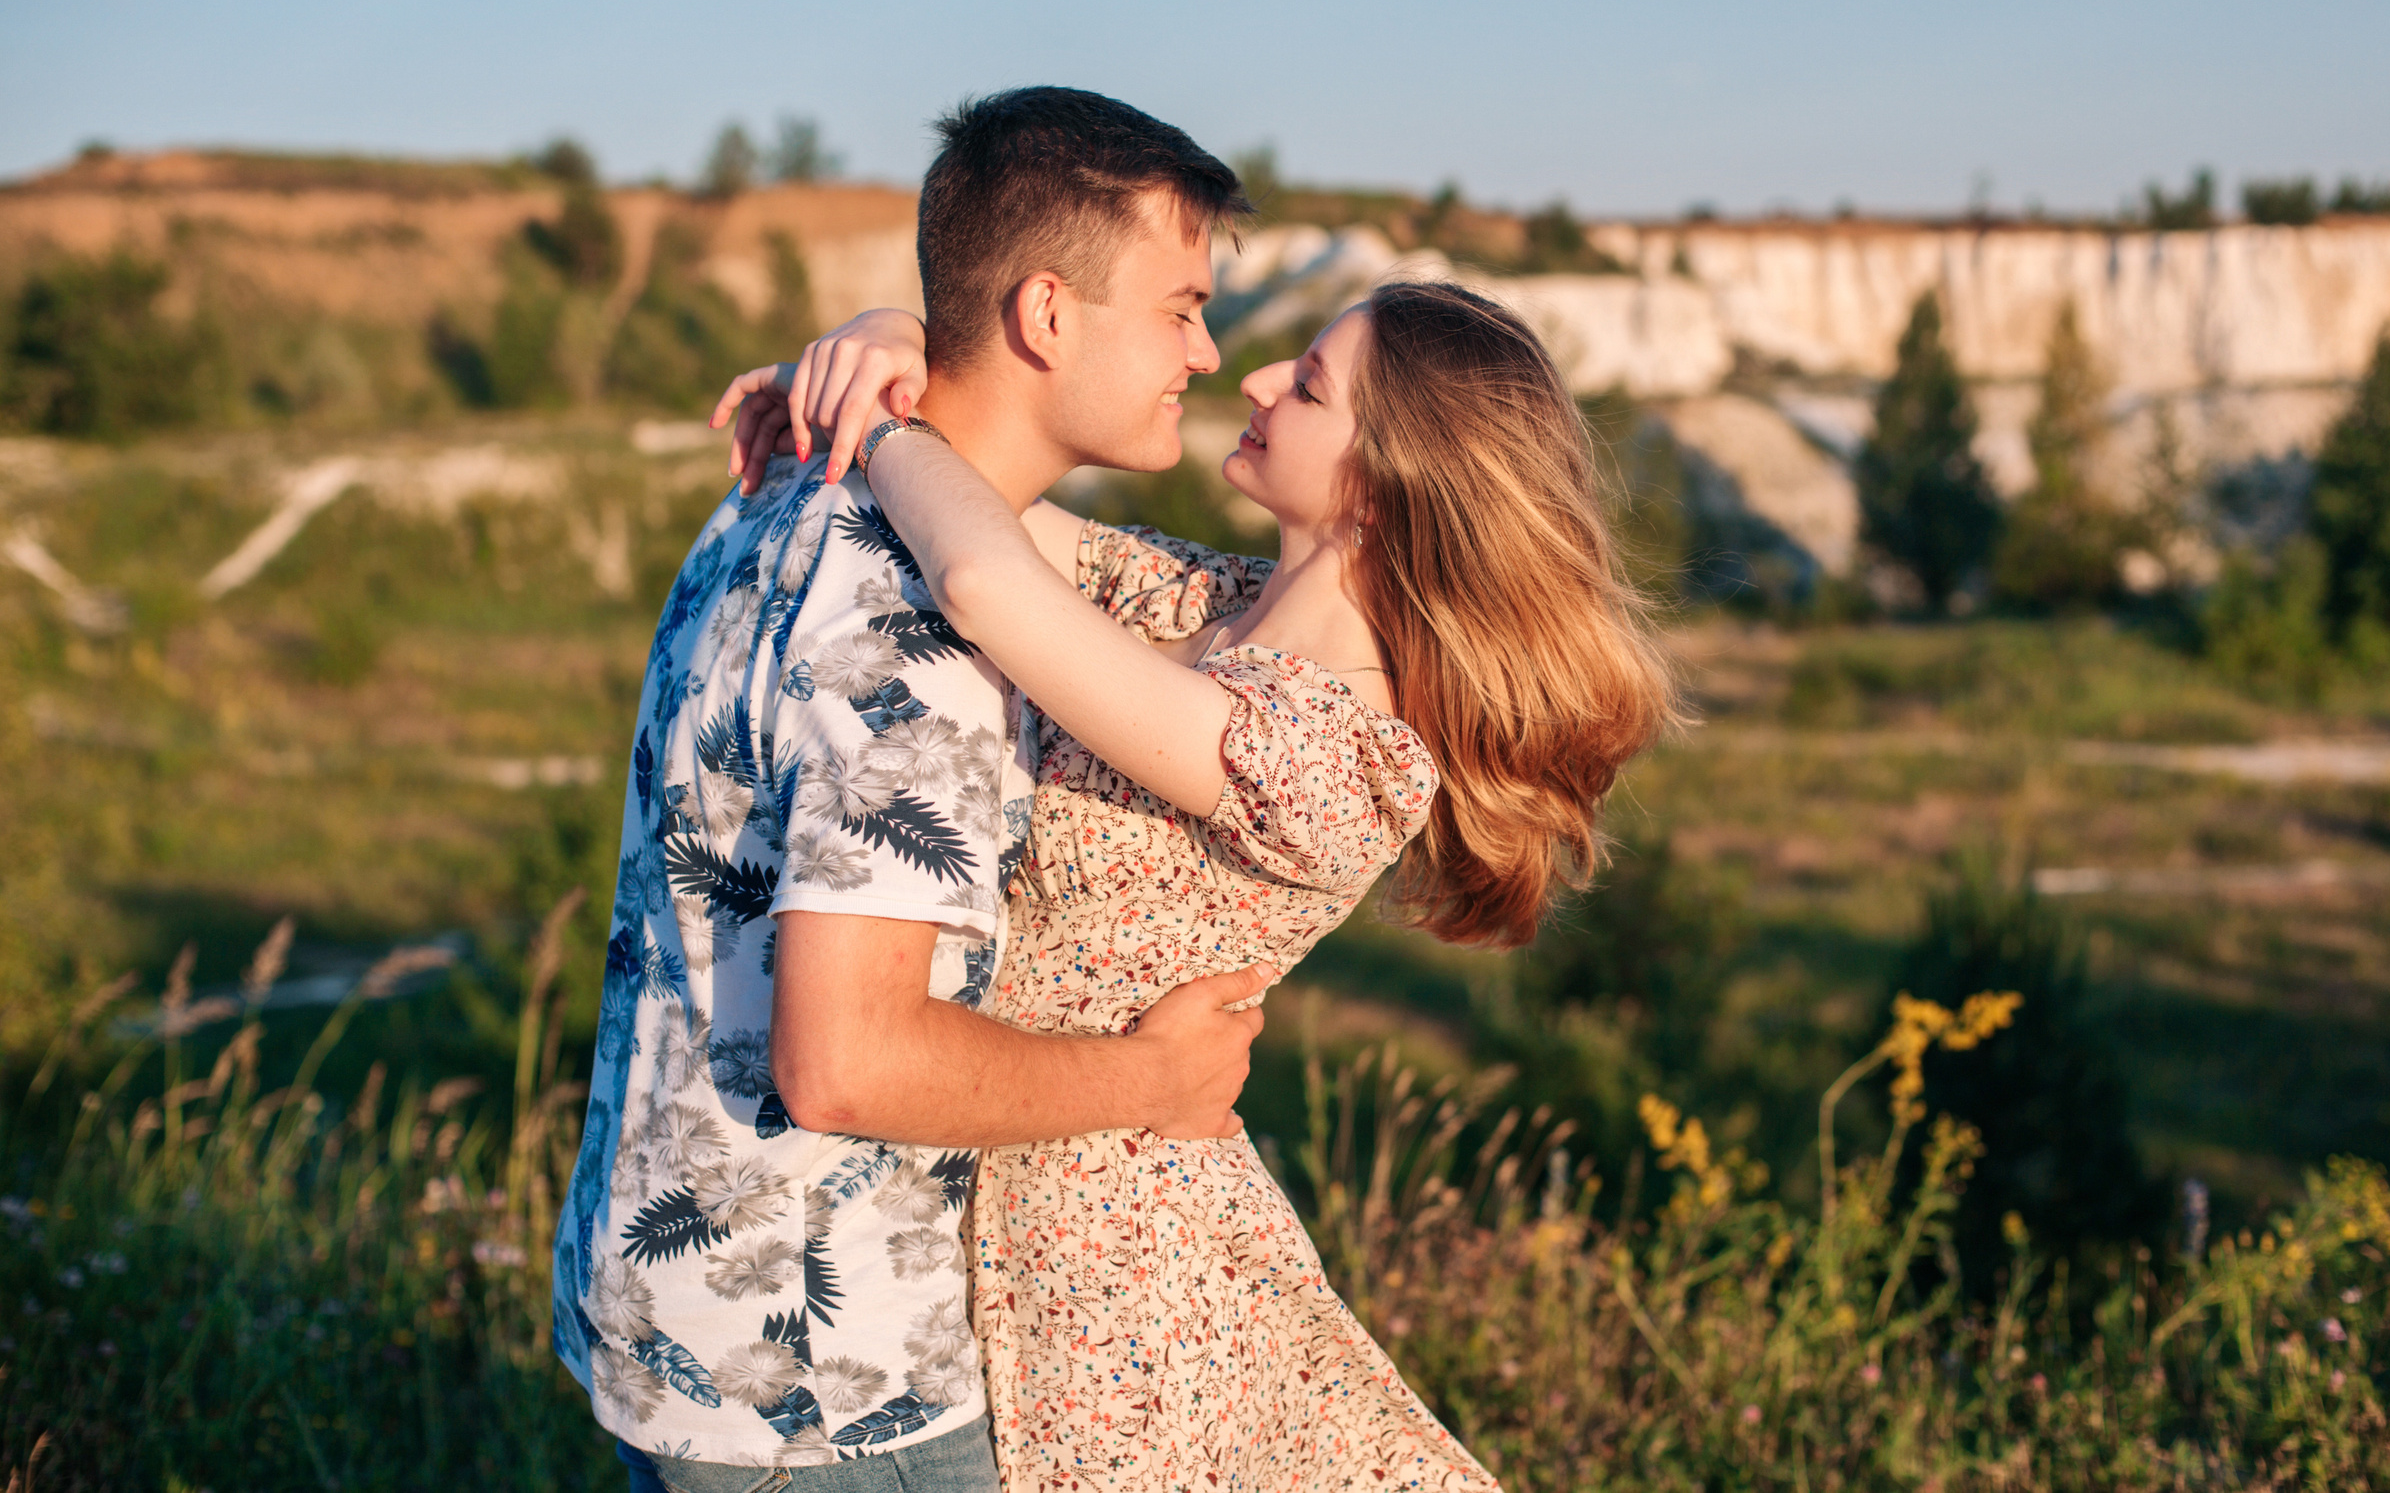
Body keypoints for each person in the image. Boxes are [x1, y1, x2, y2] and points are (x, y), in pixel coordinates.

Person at [714, 169, 1674, 1483]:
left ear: (1384, 492)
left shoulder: (1339, 755)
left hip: (1124, 1280)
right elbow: (989, 494)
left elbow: (984, 574)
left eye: (1316, 386)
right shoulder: (1198, 604)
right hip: (1017, 1185)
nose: (1262, 375)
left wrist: (879, 427)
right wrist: (897, 343)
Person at [553, 89, 1275, 1491]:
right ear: (1048, 315)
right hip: (833, 1391)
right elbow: (850, 1059)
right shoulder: (919, 635)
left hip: (675, 1315)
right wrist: (1158, 1078)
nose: (1207, 348)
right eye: (1180, 305)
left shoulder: (783, 484)